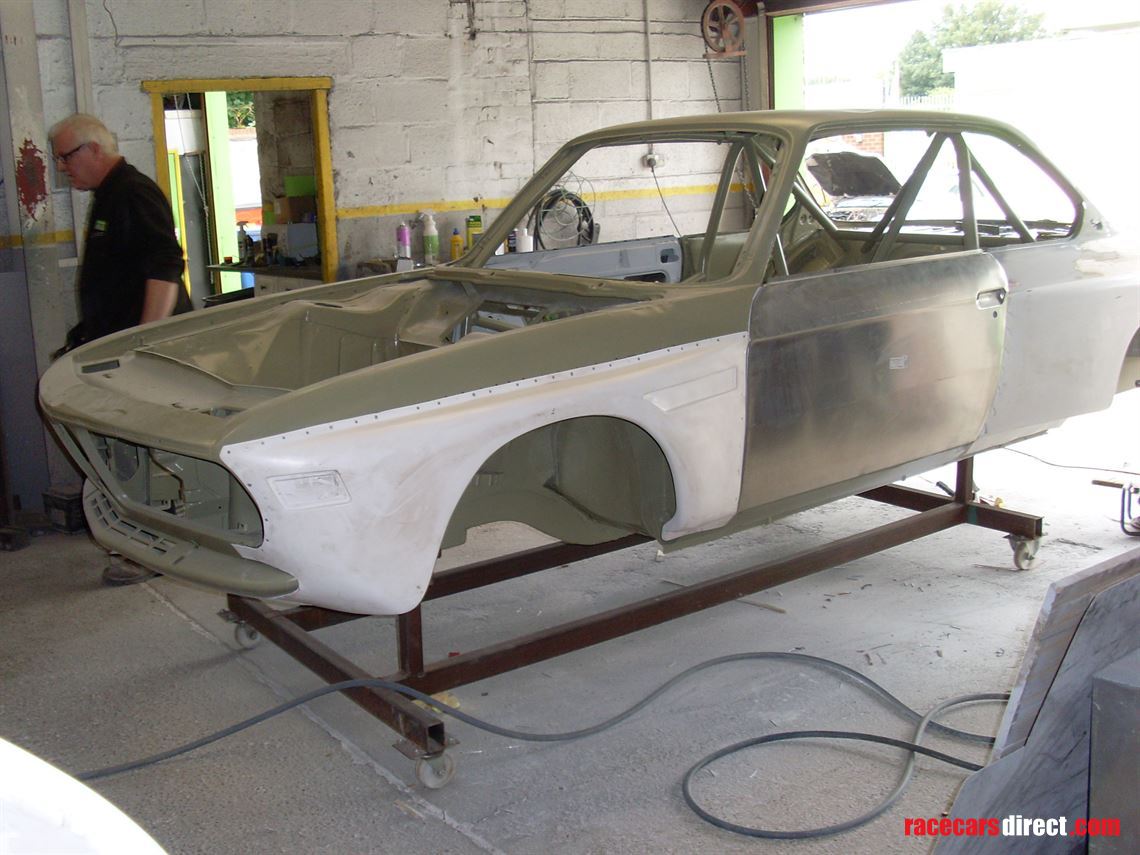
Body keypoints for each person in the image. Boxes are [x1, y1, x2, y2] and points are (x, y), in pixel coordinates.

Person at [49, 113, 192, 585]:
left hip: (142, 355)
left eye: (65, 158)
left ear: (93, 149)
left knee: (142, 453)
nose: (62, 169)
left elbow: (165, 267)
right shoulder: (108, 195)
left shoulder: (132, 192)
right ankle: (140, 541)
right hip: (118, 351)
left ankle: (153, 549)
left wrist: (143, 344)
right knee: (123, 451)